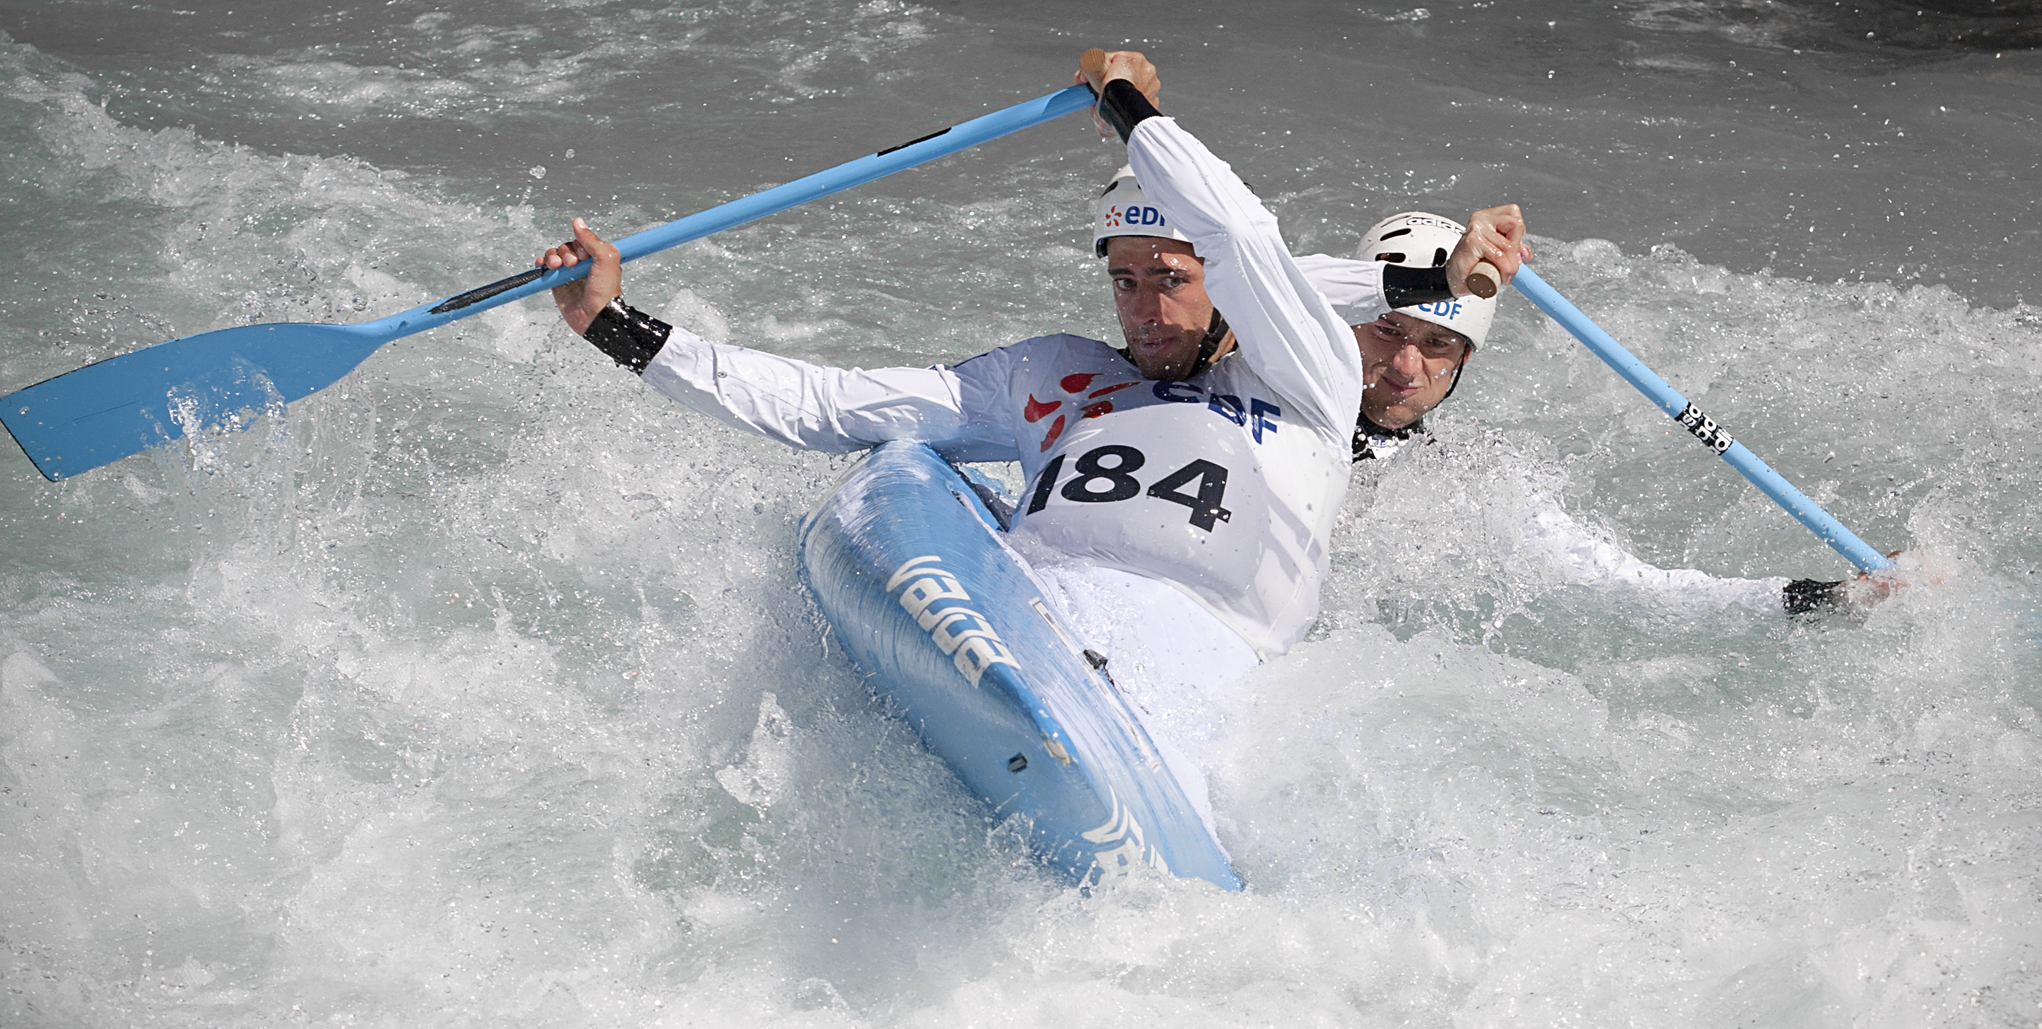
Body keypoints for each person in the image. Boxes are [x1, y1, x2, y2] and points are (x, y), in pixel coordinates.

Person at [535, 51, 1477, 820]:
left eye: (1170, 279)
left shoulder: (1304, 371)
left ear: (1223, 286)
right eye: (1124, 280)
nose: (1144, 309)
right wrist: (617, 327)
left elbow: (1240, 230)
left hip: (1204, 660)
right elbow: (833, 405)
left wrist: (1125, 108)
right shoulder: (1048, 373)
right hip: (1034, 618)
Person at [1304, 208, 1911, 616]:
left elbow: (1628, 587)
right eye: (1387, 330)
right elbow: (1242, 279)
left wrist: (1829, 597)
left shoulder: (1468, 481)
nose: (1407, 367)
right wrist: (1431, 281)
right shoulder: (1241, 377)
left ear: (1465, 358)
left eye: (1438, 344)